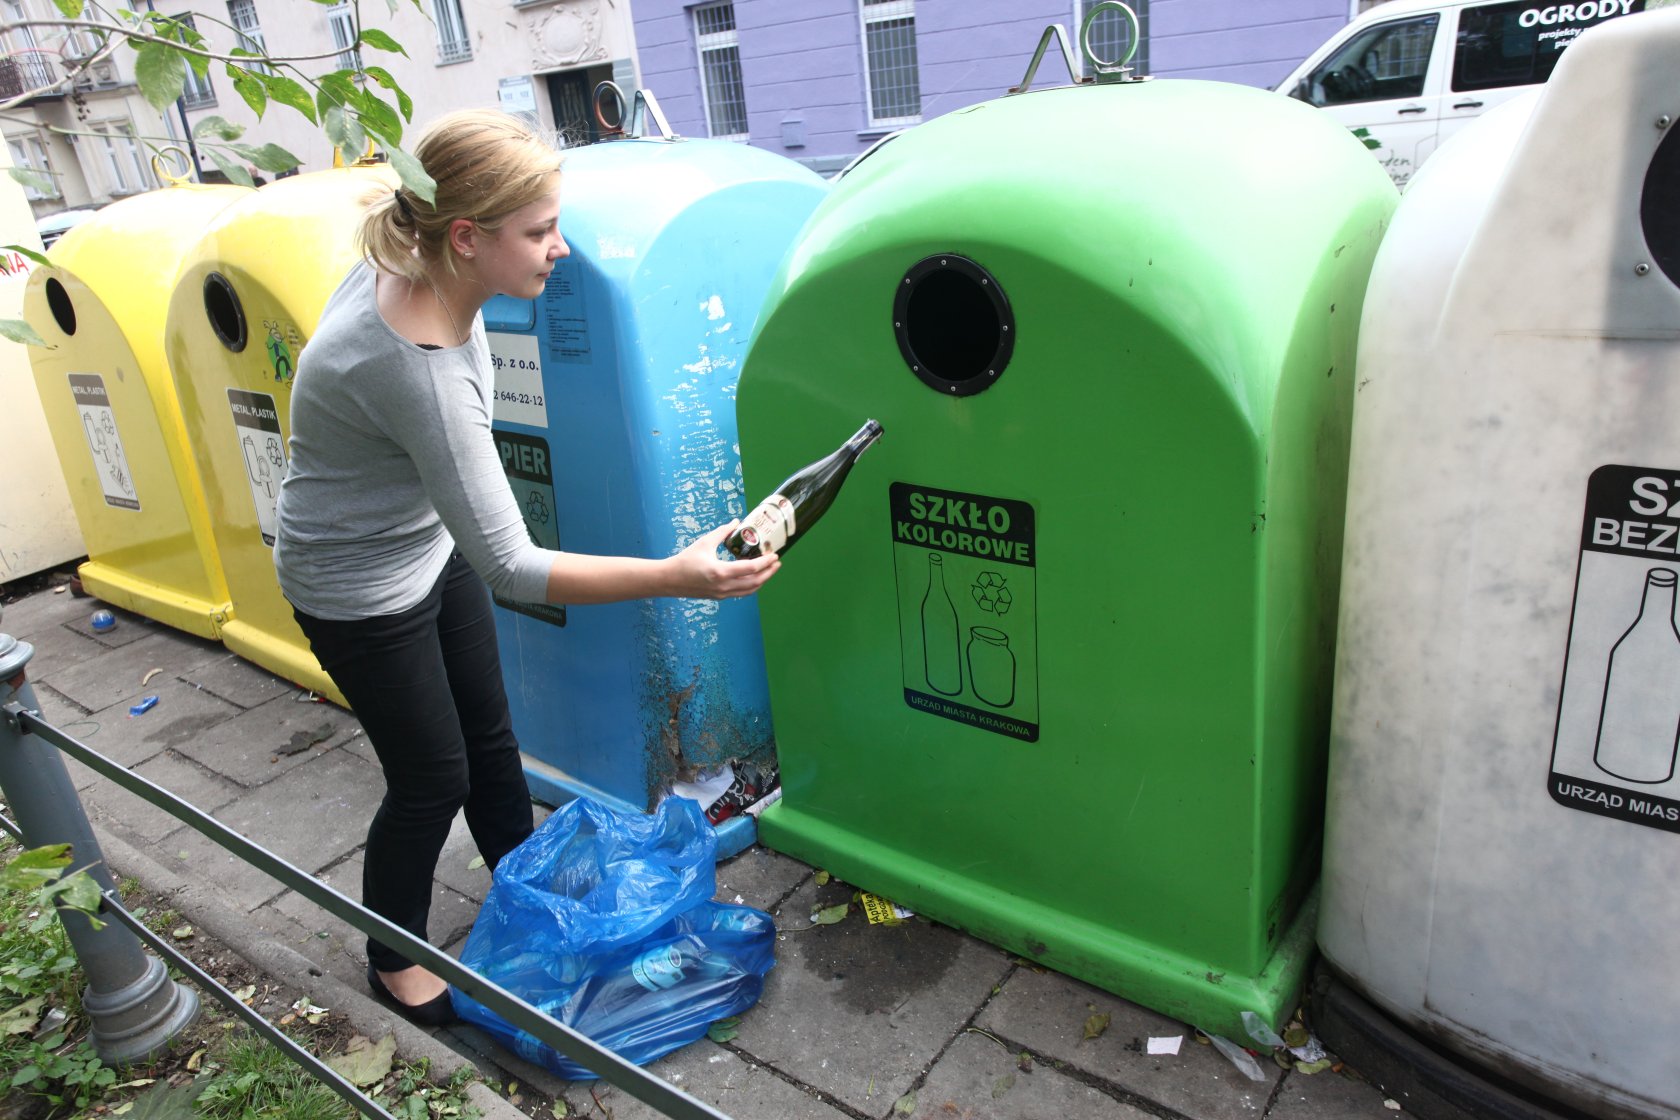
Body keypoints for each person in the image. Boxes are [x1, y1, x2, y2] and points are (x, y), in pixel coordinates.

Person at [273, 109, 780, 1025]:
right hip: (353, 586)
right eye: (540, 232)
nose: (559, 250)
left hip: (426, 545)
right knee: (432, 776)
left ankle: (531, 902)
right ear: (465, 238)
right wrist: (679, 575)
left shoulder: (418, 254)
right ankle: (391, 955)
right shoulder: (417, 365)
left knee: (492, 745)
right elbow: (511, 566)